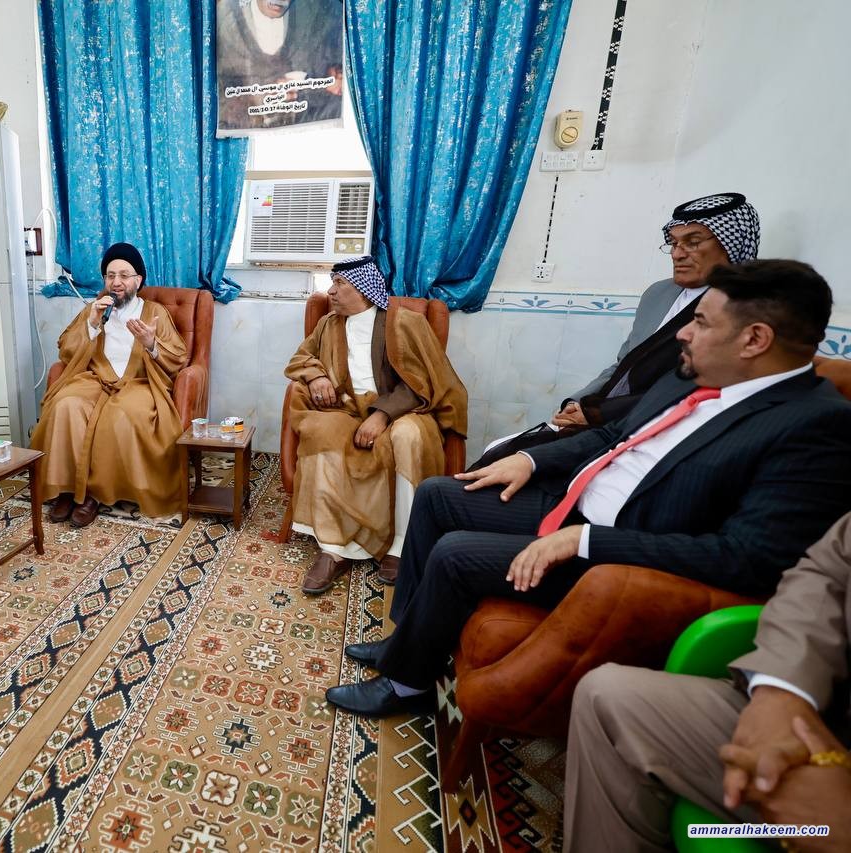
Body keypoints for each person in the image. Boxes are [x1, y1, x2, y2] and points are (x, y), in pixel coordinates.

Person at [324, 259, 851, 717]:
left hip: (619, 554)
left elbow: (746, 559)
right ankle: (407, 640)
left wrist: (585, 541)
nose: (683, 334)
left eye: (701, 322)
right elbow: (609, 436)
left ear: (754, 339)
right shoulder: (692, 377)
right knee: (439, 495)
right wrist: (530, 459)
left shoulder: (813, 427)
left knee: (455, 553)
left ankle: (407, 684)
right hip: (574, 505)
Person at [565, 511, 851, 852]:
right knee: (607, 695)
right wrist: (782, 691)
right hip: (825, 715)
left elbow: (741, 554)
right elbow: (828, 569)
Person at [472, 192, 761, 468]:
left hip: (654, 429)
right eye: (673, 243)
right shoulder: (658, 294)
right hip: (603, 416)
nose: (677, 254)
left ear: (731, 243)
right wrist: (576, 403)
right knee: (499, 451)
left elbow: (691, 390)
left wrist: (597, 413)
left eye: (693, 242)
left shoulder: (741, 308)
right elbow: (623, 365)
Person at [284, 256, 467, 595]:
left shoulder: (405, 323)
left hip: (402, 410)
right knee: (320, 433)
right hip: (344, 410)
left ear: (364, 289)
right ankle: (333, 549)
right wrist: (316, 375)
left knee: (408, 437)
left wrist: (382, 415)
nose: (331, 291)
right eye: (332, 283)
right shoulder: (328, 324)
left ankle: (401, 544)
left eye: (340, 284)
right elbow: (301, 358)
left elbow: (422, 382)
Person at [31, 242, 188, 528]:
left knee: (118, 415)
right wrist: (91, 325)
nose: (116, 282)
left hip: (138, 383)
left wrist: (151, 343)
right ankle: (66, 489)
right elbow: (66, 351)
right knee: (66, 405)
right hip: (94, 380)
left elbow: (178, 359)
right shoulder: (94, 309)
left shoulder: (154, 312)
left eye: (124, 275)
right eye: (110, 275)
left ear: (138, 280)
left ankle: (94, 495)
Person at [216, 0, 343, 131]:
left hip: (310, 130)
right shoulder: (222, 21)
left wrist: (329, 81)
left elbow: (343, 71)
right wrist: (252, 101)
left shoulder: (321, 13)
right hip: (247, 135)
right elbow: (213, 98)